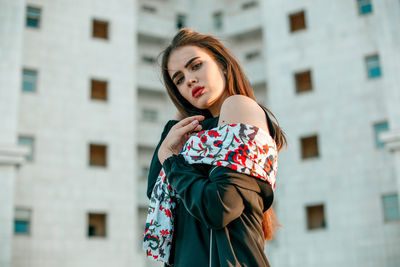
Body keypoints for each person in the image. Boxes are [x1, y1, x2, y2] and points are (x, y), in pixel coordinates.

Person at [145, 28, 287, 267]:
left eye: (196, 65)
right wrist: (169, 149)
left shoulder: (239, 107)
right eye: (178, 79)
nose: (189, 79)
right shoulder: (178, 134)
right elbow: (156, 199)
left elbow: (219, 207)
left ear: (221, 64)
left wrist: (170, 159)